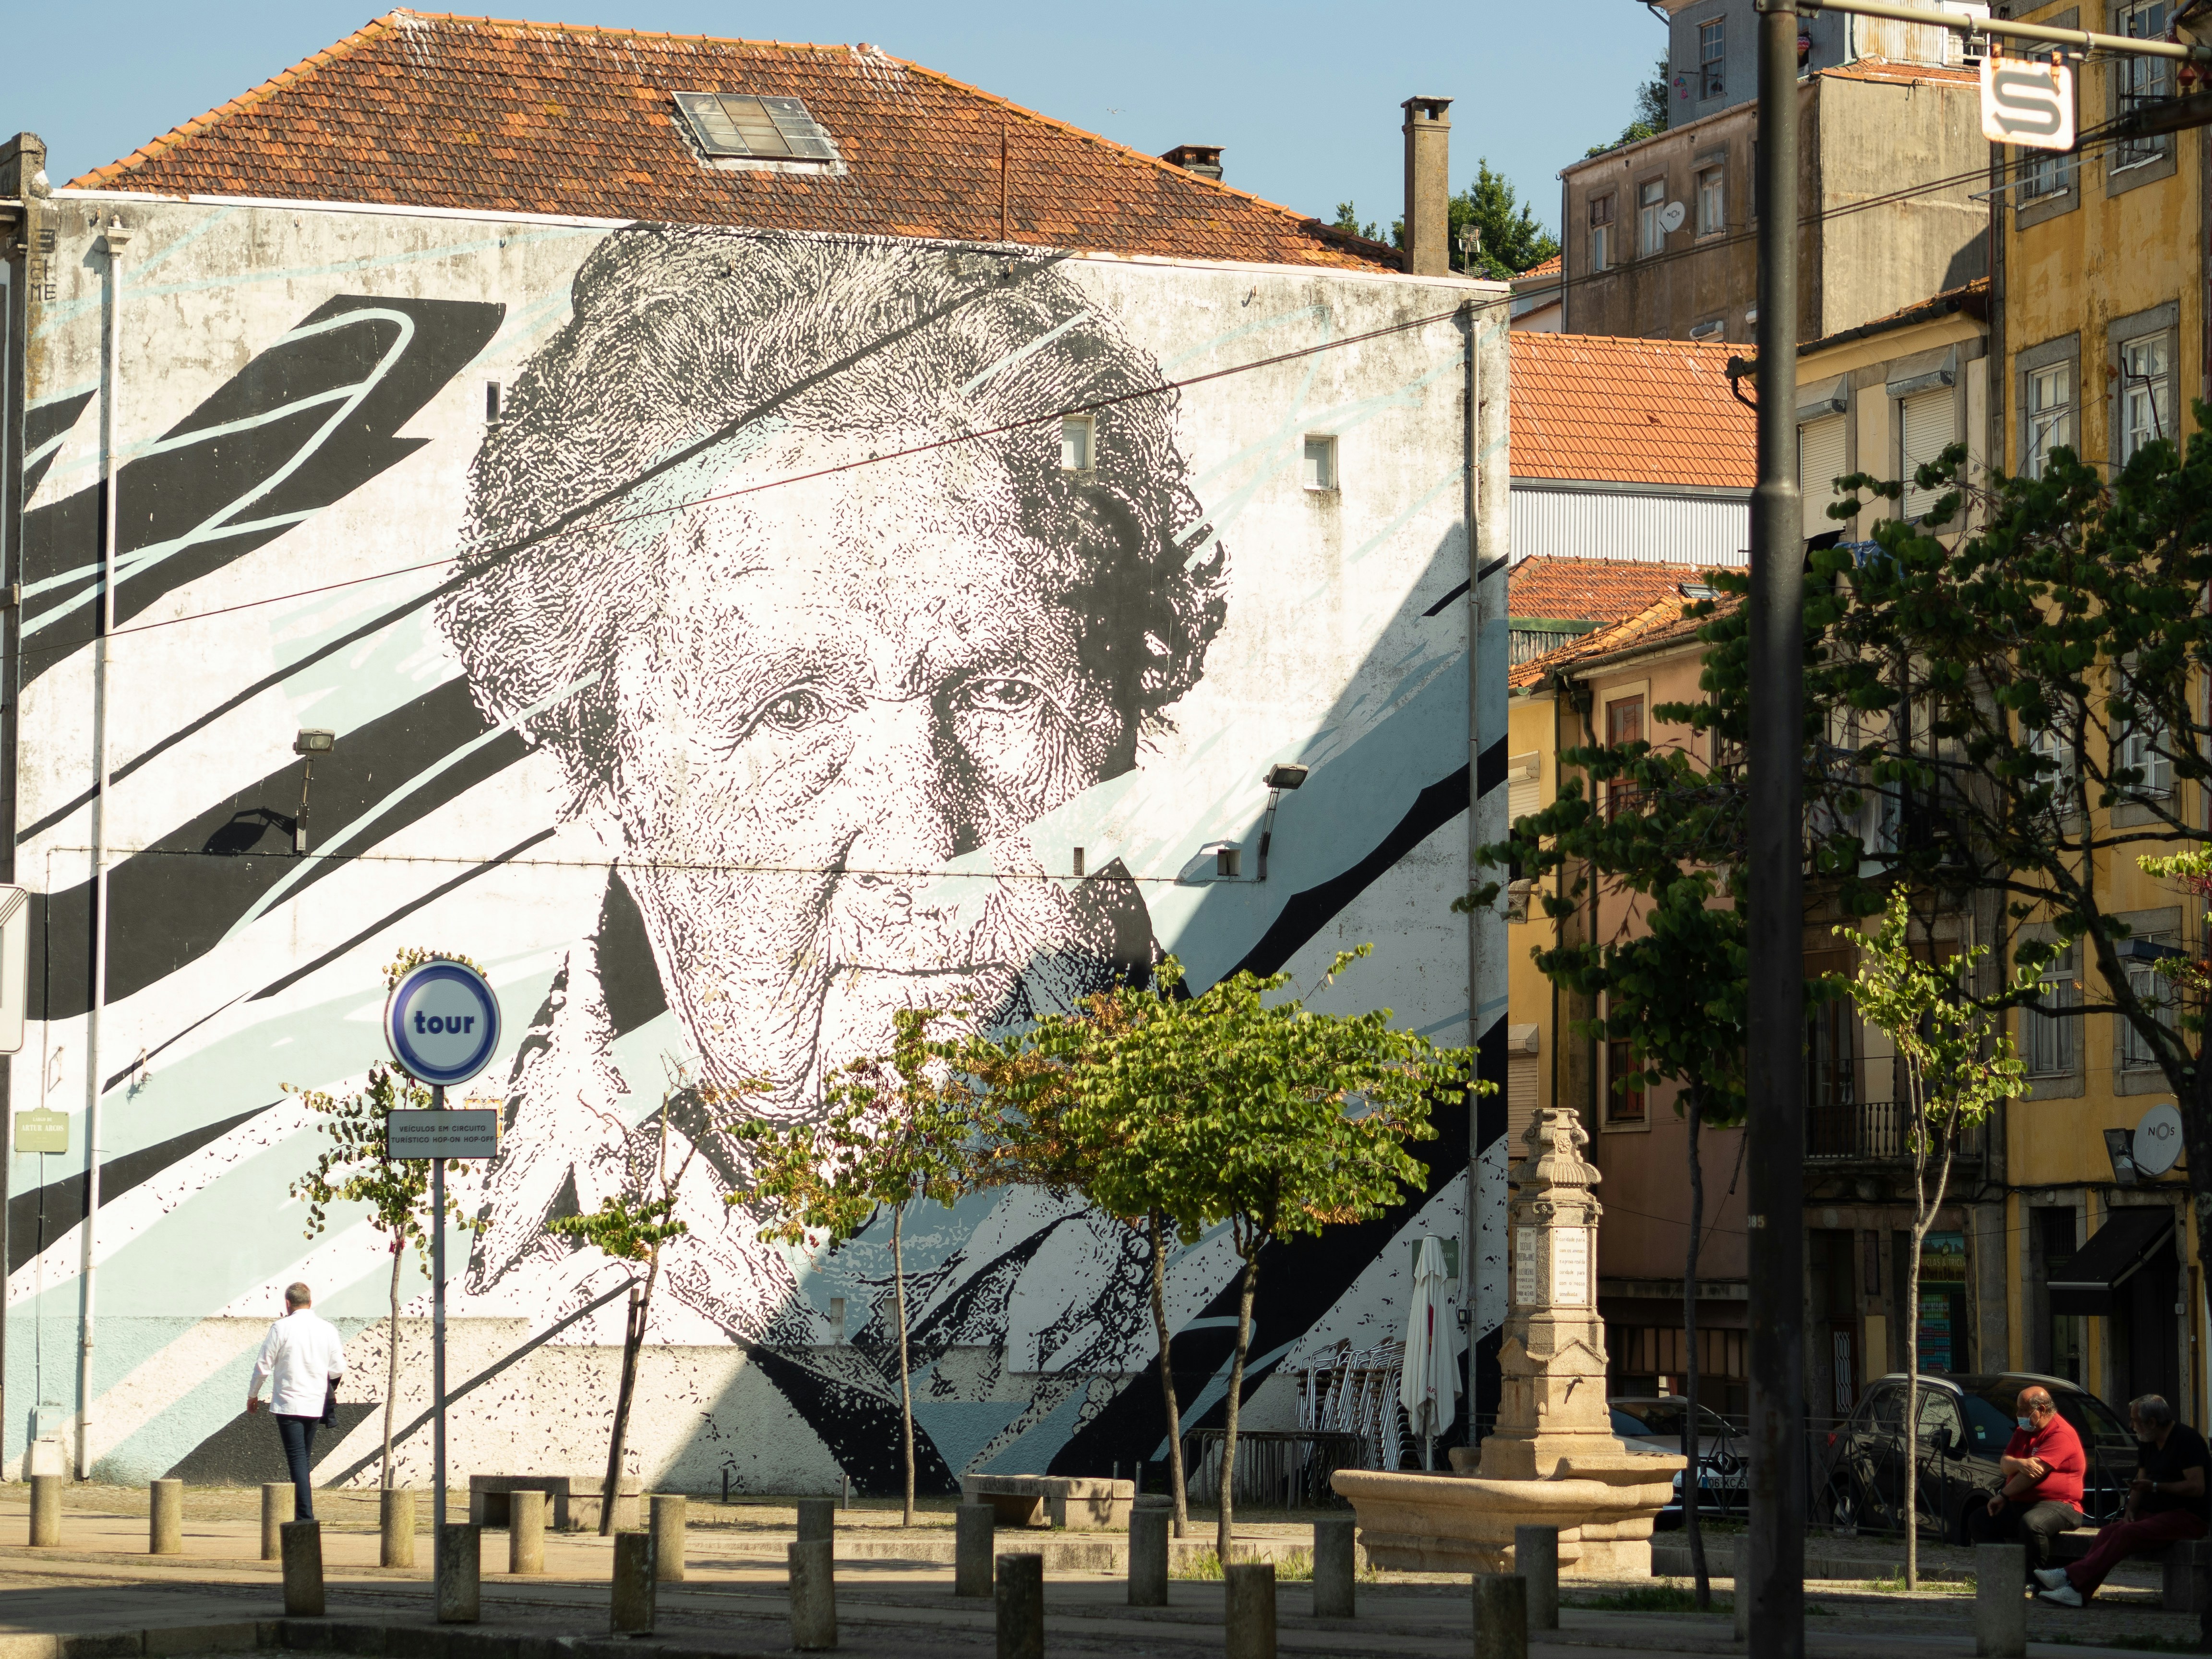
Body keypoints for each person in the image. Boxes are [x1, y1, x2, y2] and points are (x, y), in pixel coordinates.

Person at [446, 226, 1229, 1351]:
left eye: (1001, 690)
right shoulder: (468, 1284)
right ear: (602, 767)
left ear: (1120, 707)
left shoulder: (1300, 1221)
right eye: (793, 710)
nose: (922, 845)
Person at [2036, 1394, 2210, 1606]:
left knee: (2128, 1533)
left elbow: (2197, 1487)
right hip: (2154, 1514)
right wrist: (2130, 1511)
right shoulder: (2148, 1440)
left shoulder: (2187, 1440)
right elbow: (2141, 1479)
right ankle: (2078, 1593)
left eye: (2135, 1421)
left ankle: (2070, 1577)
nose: (2131, 1425)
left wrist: (2156, 1487)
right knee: (2109, 1531)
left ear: (2152, 1422)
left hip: (2188, 1517)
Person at [247, 1282, 346, 1521]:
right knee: (304, 1459)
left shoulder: (281, 1327)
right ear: (311, 1303)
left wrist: (253, 1395)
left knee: (298, 1460)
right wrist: (327, 1387)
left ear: (288, 1304)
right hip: (315, 1404)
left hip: (289, 1404)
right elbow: (338, 1368)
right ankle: (303, 1515)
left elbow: (263, 1366)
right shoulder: (327, 1329)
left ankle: (304, 1518)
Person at [1969, 1383, 2086, 1582]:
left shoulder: (2060, 1434)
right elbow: (2005, 1464)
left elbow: (2033, 1475)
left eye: (2023, 1409)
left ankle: (2036, 1581)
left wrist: (2003, 1495)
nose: (2019, 1414)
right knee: (1979, 1520)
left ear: (2040, 1410)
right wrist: (2020, 1463)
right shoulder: (2025, 1431)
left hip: (2061, 1505)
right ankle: (2008, 1575)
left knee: (2032, 1524)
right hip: (2022, 1503)